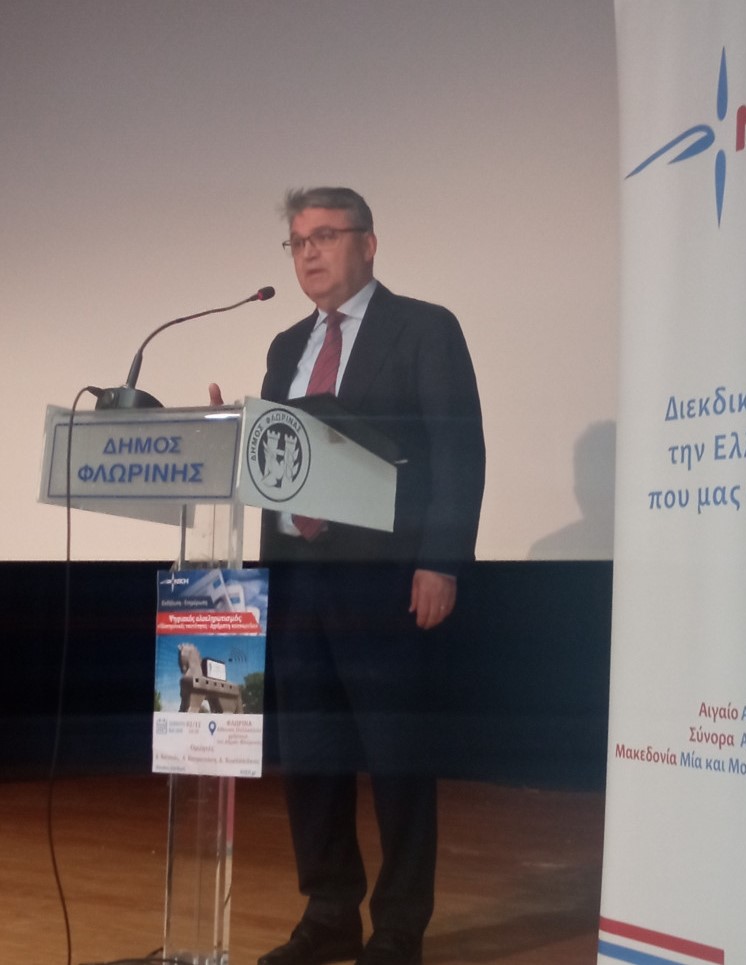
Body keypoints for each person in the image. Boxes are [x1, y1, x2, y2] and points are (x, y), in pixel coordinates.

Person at [213, 186, 485, 965]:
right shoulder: (285, 345)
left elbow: (459, 449)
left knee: (396, 755)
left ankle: (398, 925)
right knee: (311, 755)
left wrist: (440, 559)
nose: (309, 253)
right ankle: (329, 910)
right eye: (298, 241)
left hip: (385, 580)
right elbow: (281, 462)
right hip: (297, 580)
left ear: (368, 244)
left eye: (326, 236)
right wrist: (231, 436)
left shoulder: (424, 328)